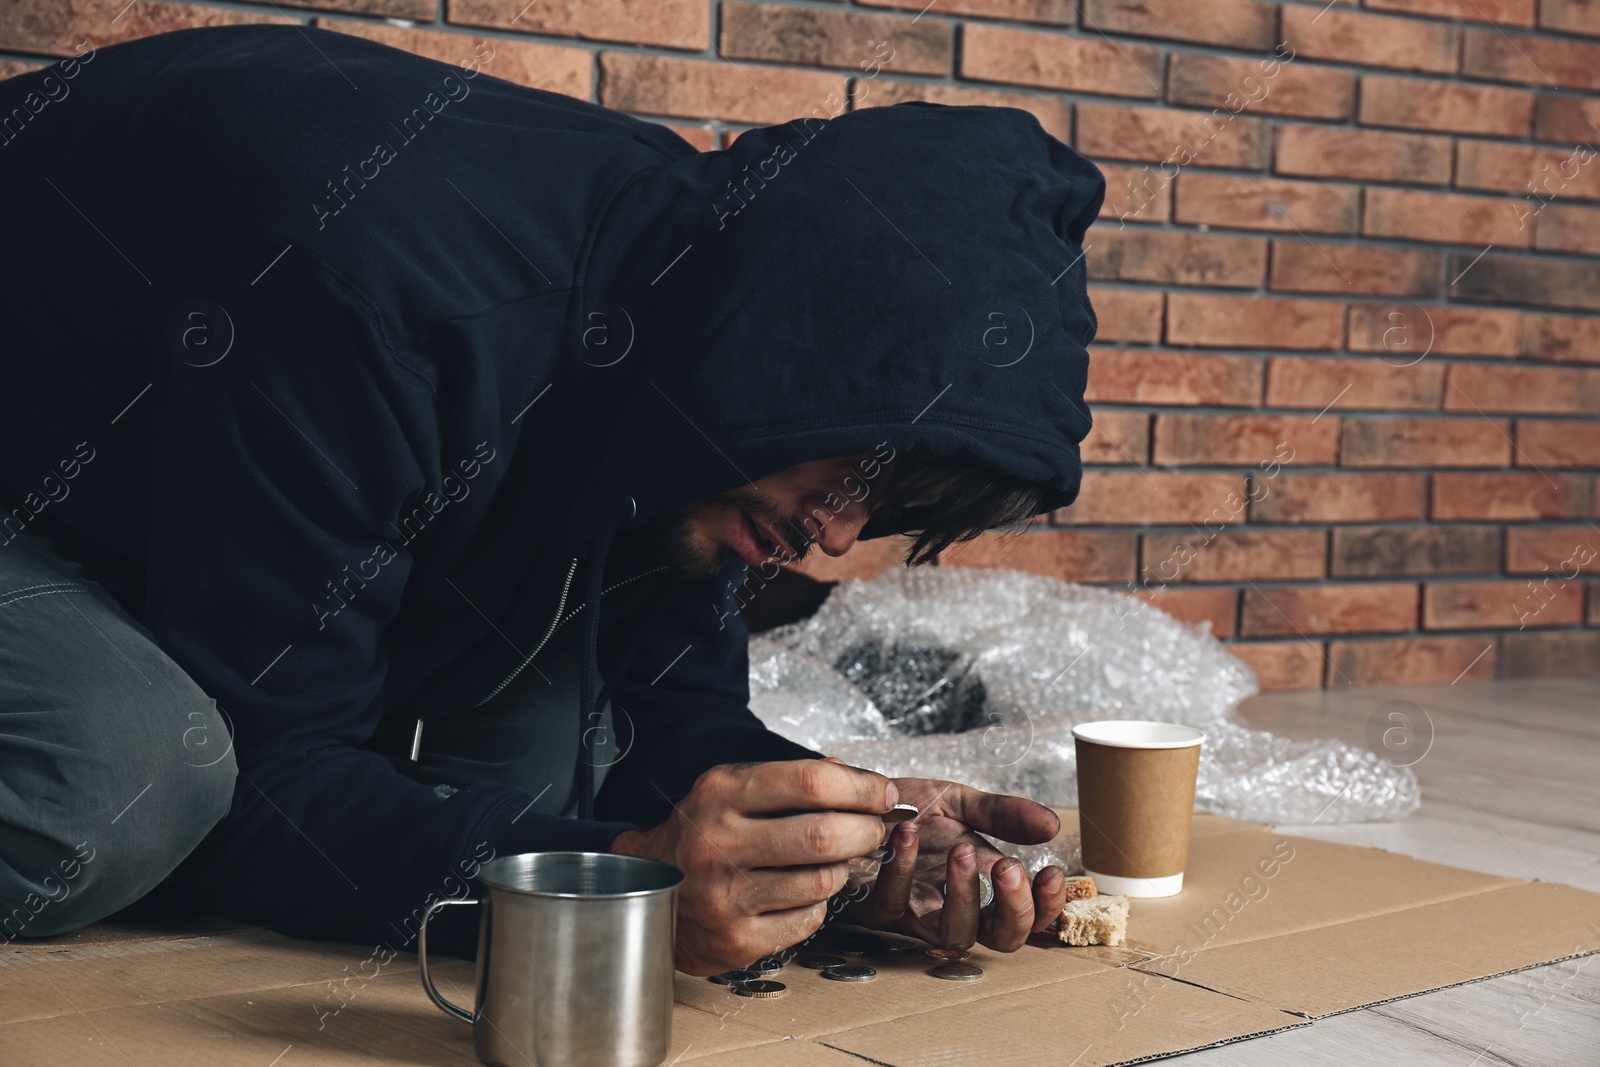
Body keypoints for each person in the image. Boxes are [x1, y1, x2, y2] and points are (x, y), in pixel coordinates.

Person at [0, 24, 1106, 974]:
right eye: (855, 469)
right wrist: (626, 892)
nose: (837, 533)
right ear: (791, 350)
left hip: (153, 486)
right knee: (126, 780)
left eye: (890, 506)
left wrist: (847, 847)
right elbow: (270, 768)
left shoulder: (696, 327)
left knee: (542, 749)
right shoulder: (376, 295)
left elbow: (672, 704)